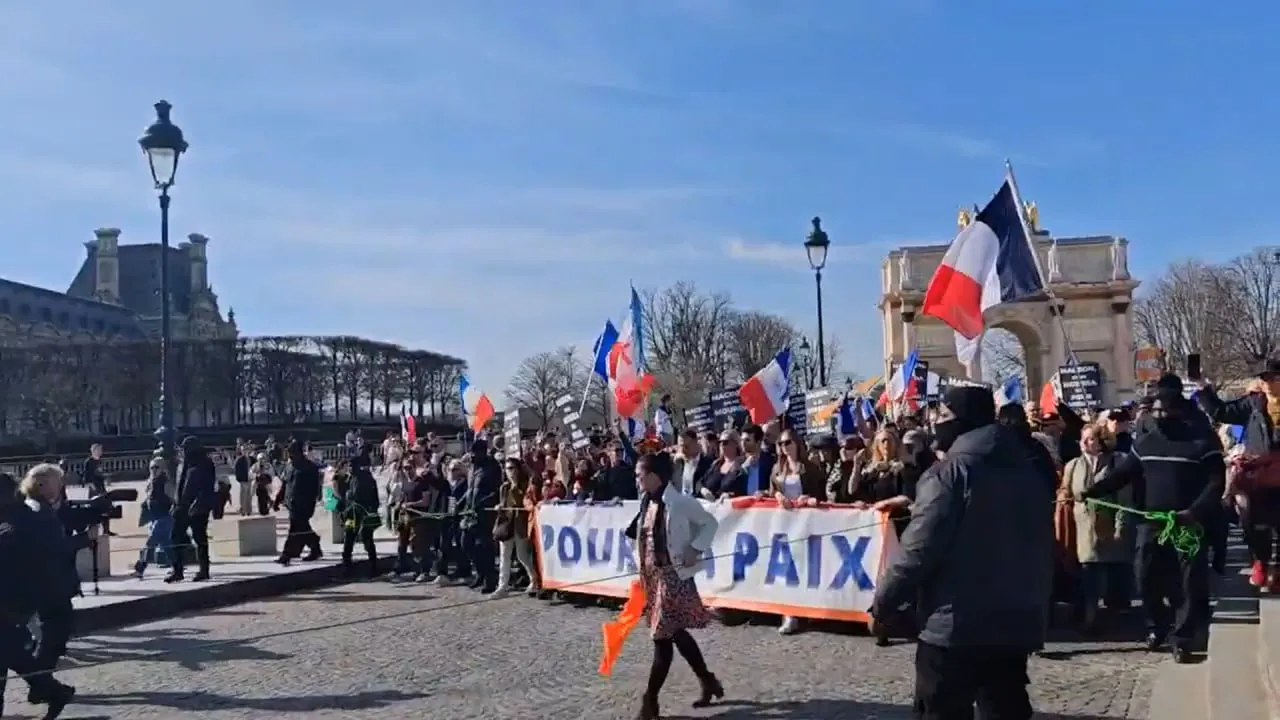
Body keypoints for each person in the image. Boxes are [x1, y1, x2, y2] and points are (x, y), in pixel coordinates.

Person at [872, 386, 1054, 720]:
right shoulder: (1030, 470)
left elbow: (918, 552)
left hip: (954, 627)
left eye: (942, 416)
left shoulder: (948, 474)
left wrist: (884, 602)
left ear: (963, 421)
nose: (936, 425)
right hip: (1014, 623)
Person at [1082, 389, 1224, 662]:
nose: (1158, 417)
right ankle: (1156, 625)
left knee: (1188, 582)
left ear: (1179, 412)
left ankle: (1182, 638)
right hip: (1152, 523)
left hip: (1187, 525)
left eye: (1163, 412)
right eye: (1154, 412)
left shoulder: (1203, 442)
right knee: (1144, 576)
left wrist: (1195, 512)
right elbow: (1123, 474)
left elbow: (1216, 483)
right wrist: (1094, 491)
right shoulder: (1146, 443)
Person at [625, 452, 723, 720]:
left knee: (662, 638)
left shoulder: (679, 502)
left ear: (655, 476)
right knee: (676, 634)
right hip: (654, 579)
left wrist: (695, 547)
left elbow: (709, 524)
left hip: (674, 577)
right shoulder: (646, 501)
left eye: (640, 474)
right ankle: (707, 680)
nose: (636, 478)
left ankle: (650, 701)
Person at [0, 471, 77, 718]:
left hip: (14, 598)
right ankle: (52, 690)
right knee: (9, 651)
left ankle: (51, 689)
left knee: (7, 650)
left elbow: (39, 556)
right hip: (11, 597)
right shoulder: (14, 516)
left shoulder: (20, 519)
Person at [18, 464, 87, 697]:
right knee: (53, 636)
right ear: (44, 485)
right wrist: (85, 539)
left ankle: (40, 683)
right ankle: (39, 683)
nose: (61, 486)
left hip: (48, 582)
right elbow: (52, 548)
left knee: (54, 635)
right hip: (49, 583)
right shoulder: (40, 511)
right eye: (57, 482)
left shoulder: (38, 507)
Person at [1062, 425, 1127, 631]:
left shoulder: (1117, 462)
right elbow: (1066, 491)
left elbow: (1123, 498)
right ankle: (1089, 617)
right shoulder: (1073, 465)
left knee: (1111, 573)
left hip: (1108, 523)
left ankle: (1113, 615)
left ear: (1101, 441)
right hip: (1083, 527)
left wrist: (1120, 527)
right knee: (1088, 572)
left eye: (1090, 439)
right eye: (1083, 439)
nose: (1084, 443)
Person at [167, 436, 217, 583]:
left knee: (199, 538)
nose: (182, 451)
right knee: (176, 537)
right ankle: (178, 570)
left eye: (184, 448)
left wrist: (198, 504)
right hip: (182, 506)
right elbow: (180, 485)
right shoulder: (183, 464)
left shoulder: (205, 463)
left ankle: (204, 570)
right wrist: (175, 504)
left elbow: (207, 487)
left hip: (198, 508)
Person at [493, 459, 539, 598]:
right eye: (507, 469)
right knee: (504, 556)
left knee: (522, 556)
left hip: (520, 524)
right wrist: (499, 507)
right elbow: (503, 503)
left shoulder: (524, 485)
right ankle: (502, 586)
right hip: (507, 524)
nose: (510, 472)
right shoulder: (504, 487)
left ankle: (534, 579)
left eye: (512, 468)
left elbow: (524, 500)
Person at [461, 438, 501, 593]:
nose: (472, 455)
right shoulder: (472, 468)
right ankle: (479, 572)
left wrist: (481, 504)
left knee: (484, 547)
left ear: (483, 452)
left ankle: (490, 579)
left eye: (475, 452)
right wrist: (459, 504)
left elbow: (495, 491)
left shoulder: (492, 467)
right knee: (466, 543)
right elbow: (470, 490)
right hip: (469, 512)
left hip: (484, 513)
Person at [278, 440, 323, 565]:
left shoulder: (310, 467)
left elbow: (315, 487)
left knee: (294, 528)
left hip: (304, 504)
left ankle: (286, 555)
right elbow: (285, 484)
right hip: (291, 503)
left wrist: (313, 501)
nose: (290, 456)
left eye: (292, 453)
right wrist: (278, 499)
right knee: (302, 528)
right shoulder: (289, 466)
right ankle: (315, 547)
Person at [340, 443, 381, 578]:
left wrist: (371, 512)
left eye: (353, 466)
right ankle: (346, 566)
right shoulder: (350, 479)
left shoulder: (367, 479)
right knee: (348, 537)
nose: (350, 468)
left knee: (367, 539)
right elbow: (347, 496)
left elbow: (373, 498)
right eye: (349, 466)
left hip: (365, 513)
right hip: (351, 514)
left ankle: (373, 566)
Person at [134, 457, 174, 578]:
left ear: (162, 468)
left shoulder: (165, 482)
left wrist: (171, 514)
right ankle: (177, 566)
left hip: (164, 517)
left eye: (156, 467)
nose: (153, 470)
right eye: (151, 467)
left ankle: (140, 569)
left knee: (150, 543)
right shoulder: (151, 482)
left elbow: (174, 499)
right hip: (154, 518)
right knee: (166, 545)